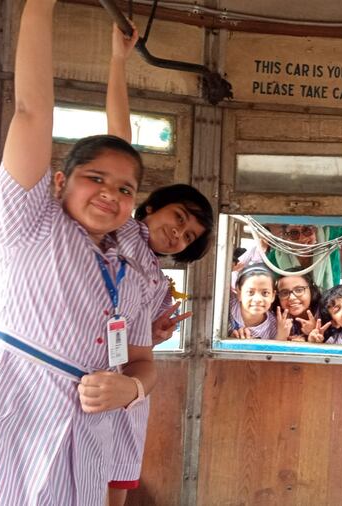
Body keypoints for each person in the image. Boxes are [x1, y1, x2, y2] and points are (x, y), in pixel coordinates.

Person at [0, 1, 163, 503]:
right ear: (59, 181)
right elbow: (30, 109)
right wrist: (39, 8)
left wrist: (133, 389)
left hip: (85, 435)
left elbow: (141, 360)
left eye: (125, 189)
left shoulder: (130, 265)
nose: (109, 194)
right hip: (11, 417)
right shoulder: (30, 222)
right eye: (94, 179)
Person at [103, 22, 214, 505]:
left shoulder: (156, 279)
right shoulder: (119, 228)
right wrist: (118, 62)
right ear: (150, 207)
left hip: (125, 387)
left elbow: (138, 349)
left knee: (115, 482)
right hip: (82, 376)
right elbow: (119, 144)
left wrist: (152, 331)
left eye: (188, 237)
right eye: (178, 218)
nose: (178, 234)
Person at [229, 264, 283, 339]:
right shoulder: (228, 302)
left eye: (265, 293)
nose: (257, 299)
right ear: (239, 293)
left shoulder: (274, 327)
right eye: (250, 292)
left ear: (273, 296)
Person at [275, 268, 324, 342]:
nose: (292, 298)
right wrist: (281, 336)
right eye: (284, 293)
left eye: (299, 290)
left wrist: (314, 333)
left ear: (311, 290)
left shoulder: (326, 313)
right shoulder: (274, 319)